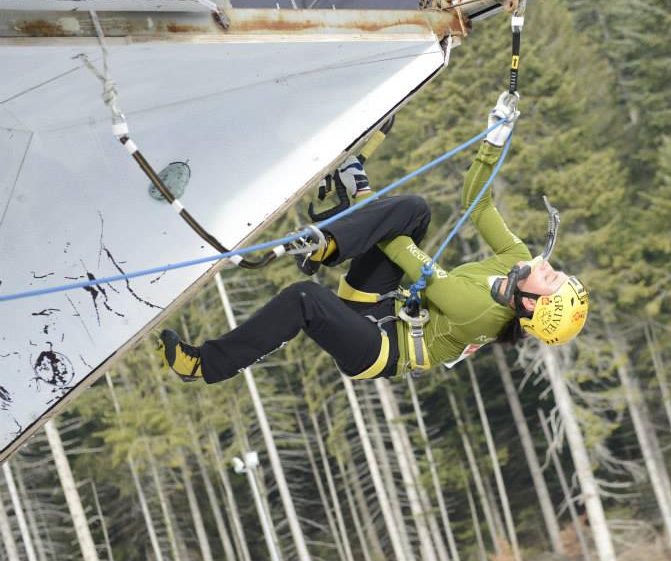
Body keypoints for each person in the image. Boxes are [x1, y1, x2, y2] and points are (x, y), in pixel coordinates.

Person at [157, 93, 589, 383]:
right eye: (558, 272)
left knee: (305, 299)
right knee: (417, 208)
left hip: (380, 349)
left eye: (551, 279)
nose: (549, 267)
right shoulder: (517, 259)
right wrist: (494, 137)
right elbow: (476, 202)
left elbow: (403, 252)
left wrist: (363, 200)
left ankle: (203, 365)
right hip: (384, 307)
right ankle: (327, 241)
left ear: (530, 305)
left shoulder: (480, 312)